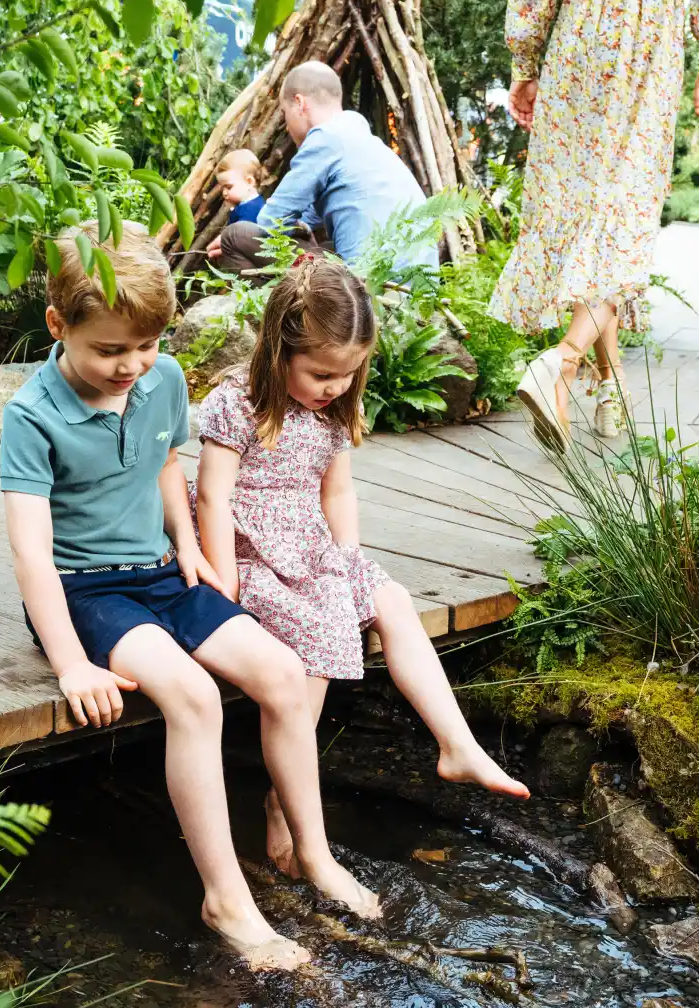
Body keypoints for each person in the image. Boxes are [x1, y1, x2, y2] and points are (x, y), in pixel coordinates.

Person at [0, 222, 380, 972]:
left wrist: (192, 547)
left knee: (278, 672)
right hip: (84, 593)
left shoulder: (161, 378)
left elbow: (168, 467)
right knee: (195, 697)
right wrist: (74, 663)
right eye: (109, 350)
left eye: (144, 347)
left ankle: (314, 849)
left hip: (164, 573)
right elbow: (30, 553)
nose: (130, 366)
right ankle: (227, 898)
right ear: (58, 325)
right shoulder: (31, 415)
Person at [193, 257, 530, 872]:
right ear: (277, 351)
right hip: (250, 549)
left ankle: (457, 744)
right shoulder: (237, 403)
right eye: (322, 373)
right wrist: (225, 585)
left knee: (391, 601)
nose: (335, 387)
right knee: (321, 639)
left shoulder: (334, 408)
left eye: (348, 375)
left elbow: (336, 492)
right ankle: (283, 803)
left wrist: (348, 560)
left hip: (313, 544)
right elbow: (213, 496)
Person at [490, 0, 699, 448]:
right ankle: (560, 363)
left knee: (595, 217)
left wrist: (524, 63)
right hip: (649, 41)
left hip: (580, 36)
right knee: (624, 217)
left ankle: (611, 382)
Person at [212, 60, 437, 275]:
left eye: (285, 113)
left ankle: (267, 312)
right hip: (413, 283)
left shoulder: (324, 139)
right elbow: (309, 216)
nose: (286, 125)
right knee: (327, 246)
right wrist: (301, 227)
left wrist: (242, 237)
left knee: (235, 235)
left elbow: (270, 221)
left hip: (368, 285)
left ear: (300, 104)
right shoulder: (356, 135)